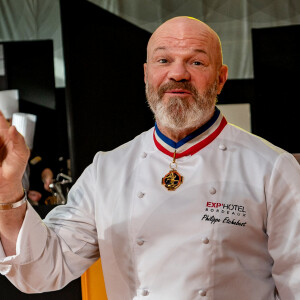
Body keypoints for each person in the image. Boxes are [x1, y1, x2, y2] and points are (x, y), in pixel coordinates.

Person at [0, 16, 300, 300]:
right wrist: (8, 190)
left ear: (220, 79)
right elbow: (41, 271)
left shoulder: (272, 167)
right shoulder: (107, 170)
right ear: (147, 75)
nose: (178, 73)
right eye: (163, 60)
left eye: (196, 61)